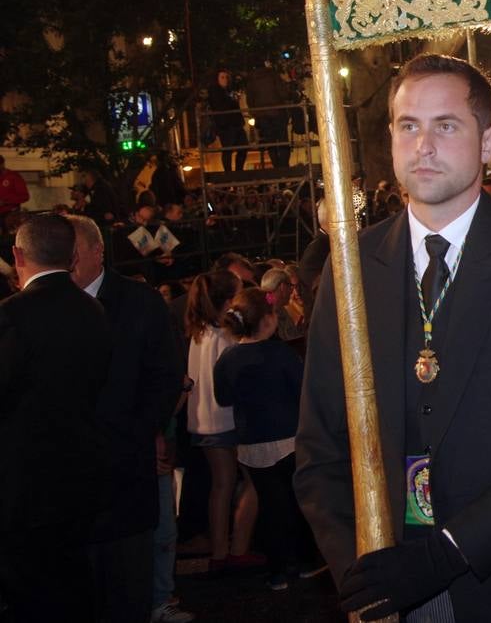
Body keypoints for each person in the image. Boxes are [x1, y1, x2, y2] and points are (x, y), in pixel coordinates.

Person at [294, 53, 491, 622]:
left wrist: (450, 551)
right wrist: (357, 569)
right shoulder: (352, 267)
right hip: (389, 579)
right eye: (408, 125)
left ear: (488, 142)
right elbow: (320, 442)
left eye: (446, 125)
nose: (424, 145)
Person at [67, 214, 184, 622]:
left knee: (127, 586)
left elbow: (164, 378)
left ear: (97, 252)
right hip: (68, 485)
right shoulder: (45, 307)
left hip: (127, 474)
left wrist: (139, 434)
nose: (65, 264)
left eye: (73, 254)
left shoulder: (140, 303)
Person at [0, 214, 113, 622]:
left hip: (22, 481)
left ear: (17, 255)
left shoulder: (12, 315)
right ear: (71, 257)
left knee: (30, 590)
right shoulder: (93, 311)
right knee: (73, 578)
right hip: (80, 468)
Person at [214, 287, 323, 591]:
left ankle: (276, 570)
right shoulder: (279, 353)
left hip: (250, 443)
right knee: (296, 502)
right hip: (287, 438)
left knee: (269, 506)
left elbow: (222, 397)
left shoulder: (228, 357)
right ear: (266, 320)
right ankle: (304, 562)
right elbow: (302, 390)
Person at [185, 269, 263, 571]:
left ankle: (219, 551)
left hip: (202, 420)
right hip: (226, 420)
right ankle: (239, 546)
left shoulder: (199, 334)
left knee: (220, 486)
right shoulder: (226, 337)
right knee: (251, 482)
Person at [207, 69, 249, 173]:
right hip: (225, 125)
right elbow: (221, 106)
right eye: (222, 77)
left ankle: (238, 171)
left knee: (243, 147)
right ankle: (229, 173)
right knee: (228, 149)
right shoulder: (215, 91)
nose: (225, 80)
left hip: (235, 123)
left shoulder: (229, 90)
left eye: (226, 77)